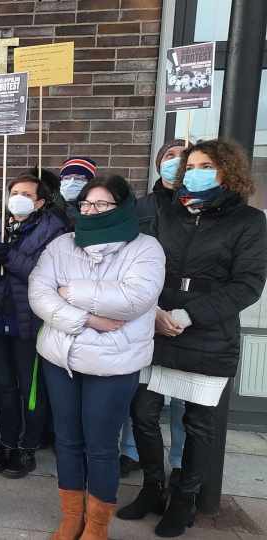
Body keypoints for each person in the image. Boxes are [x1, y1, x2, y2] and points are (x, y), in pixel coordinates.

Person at [120, 139, 267, 537]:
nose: (194, 171)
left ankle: (184, 500)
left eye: (205, 165)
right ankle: (152, 488)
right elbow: (144, 265)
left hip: (206, 331)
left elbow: (248, 284)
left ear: (226, 172)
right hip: (157, 325)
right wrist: (151, 311)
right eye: (191, 165)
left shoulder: (249, 221)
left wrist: (187, 315)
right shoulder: (170, 213)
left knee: (198, 422)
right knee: (143, 413)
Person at [29, 174, 165, 540]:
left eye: (101, 204)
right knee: (68, 441)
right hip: (62, 360)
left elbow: (134, 299)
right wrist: (87, 317)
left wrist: (70, 290)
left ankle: (97, 526)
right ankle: (71, 517)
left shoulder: (146, 248)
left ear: (122, 207)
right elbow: (40, 295)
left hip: (114, 363)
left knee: (102, 446)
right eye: (87, 204)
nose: (91, 210)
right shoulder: (62, 245)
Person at [0, 174, 64, 479]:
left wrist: (11, 258)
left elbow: (48, 277)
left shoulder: (54, 232)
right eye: (14, 192)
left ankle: (28, 447)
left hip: (29, 322)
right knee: (5, 386)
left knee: (31, 390)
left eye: (25, 194)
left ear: (40, 202)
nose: (17, 198)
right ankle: (6, 443)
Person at [122, 139, 189, 480]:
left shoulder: (201, 209)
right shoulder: (140, 207)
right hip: (147, 308)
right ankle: (132, 453)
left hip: (188, 314)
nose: (176, 163)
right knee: (141, 394)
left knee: (183, 400)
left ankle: (179, 463)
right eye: (169, 156)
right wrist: (153, 308)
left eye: (184, 157)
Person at [49, 157, 97, 231]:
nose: (71, 183)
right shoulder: (49, 211)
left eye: (78, 178)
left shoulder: (97, 210)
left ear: (89, 183)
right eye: (67, 178)